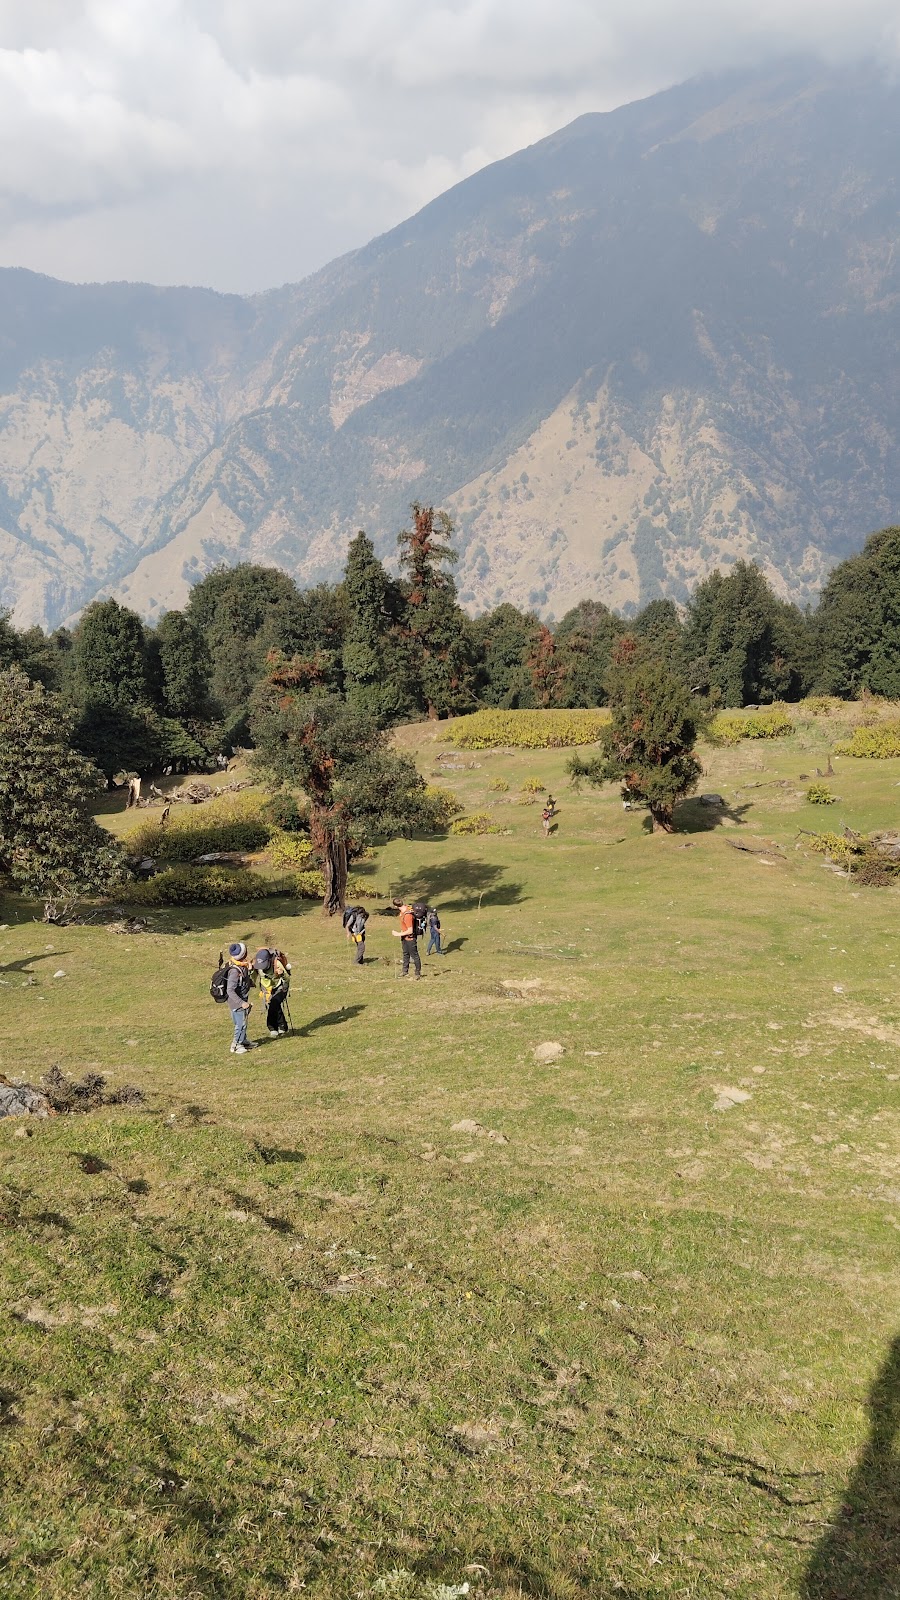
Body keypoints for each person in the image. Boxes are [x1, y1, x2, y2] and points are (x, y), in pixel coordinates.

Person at [225, 941, 257, 1054]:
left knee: (243, 1021)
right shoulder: (234, 971)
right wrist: (241, 1003)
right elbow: (230, 990)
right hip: (237, 1003)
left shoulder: (240, 966)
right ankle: (236, 1045)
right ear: (243, 954)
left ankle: (243, 1041)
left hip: (241, 1000)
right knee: (241, 1024)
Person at [253, 947, 291, 1035]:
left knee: (274, 1002)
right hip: (266, 989)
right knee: (273, 1005)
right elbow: (253, 978)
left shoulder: (277, 963)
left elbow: (287, 978)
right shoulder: (257, 964)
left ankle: (272, 1026)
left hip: (280, 986)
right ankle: (282, 1026)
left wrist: (282, 975)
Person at [392, 903, 421, 979]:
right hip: (404, 937)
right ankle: (405, 971)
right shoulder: (402, 913)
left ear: (395, 906)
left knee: (414, 955)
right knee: (405, 954)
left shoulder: (407, 915)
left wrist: (398, 934)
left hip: (410, 938)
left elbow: (410, 930)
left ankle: (417, 973)